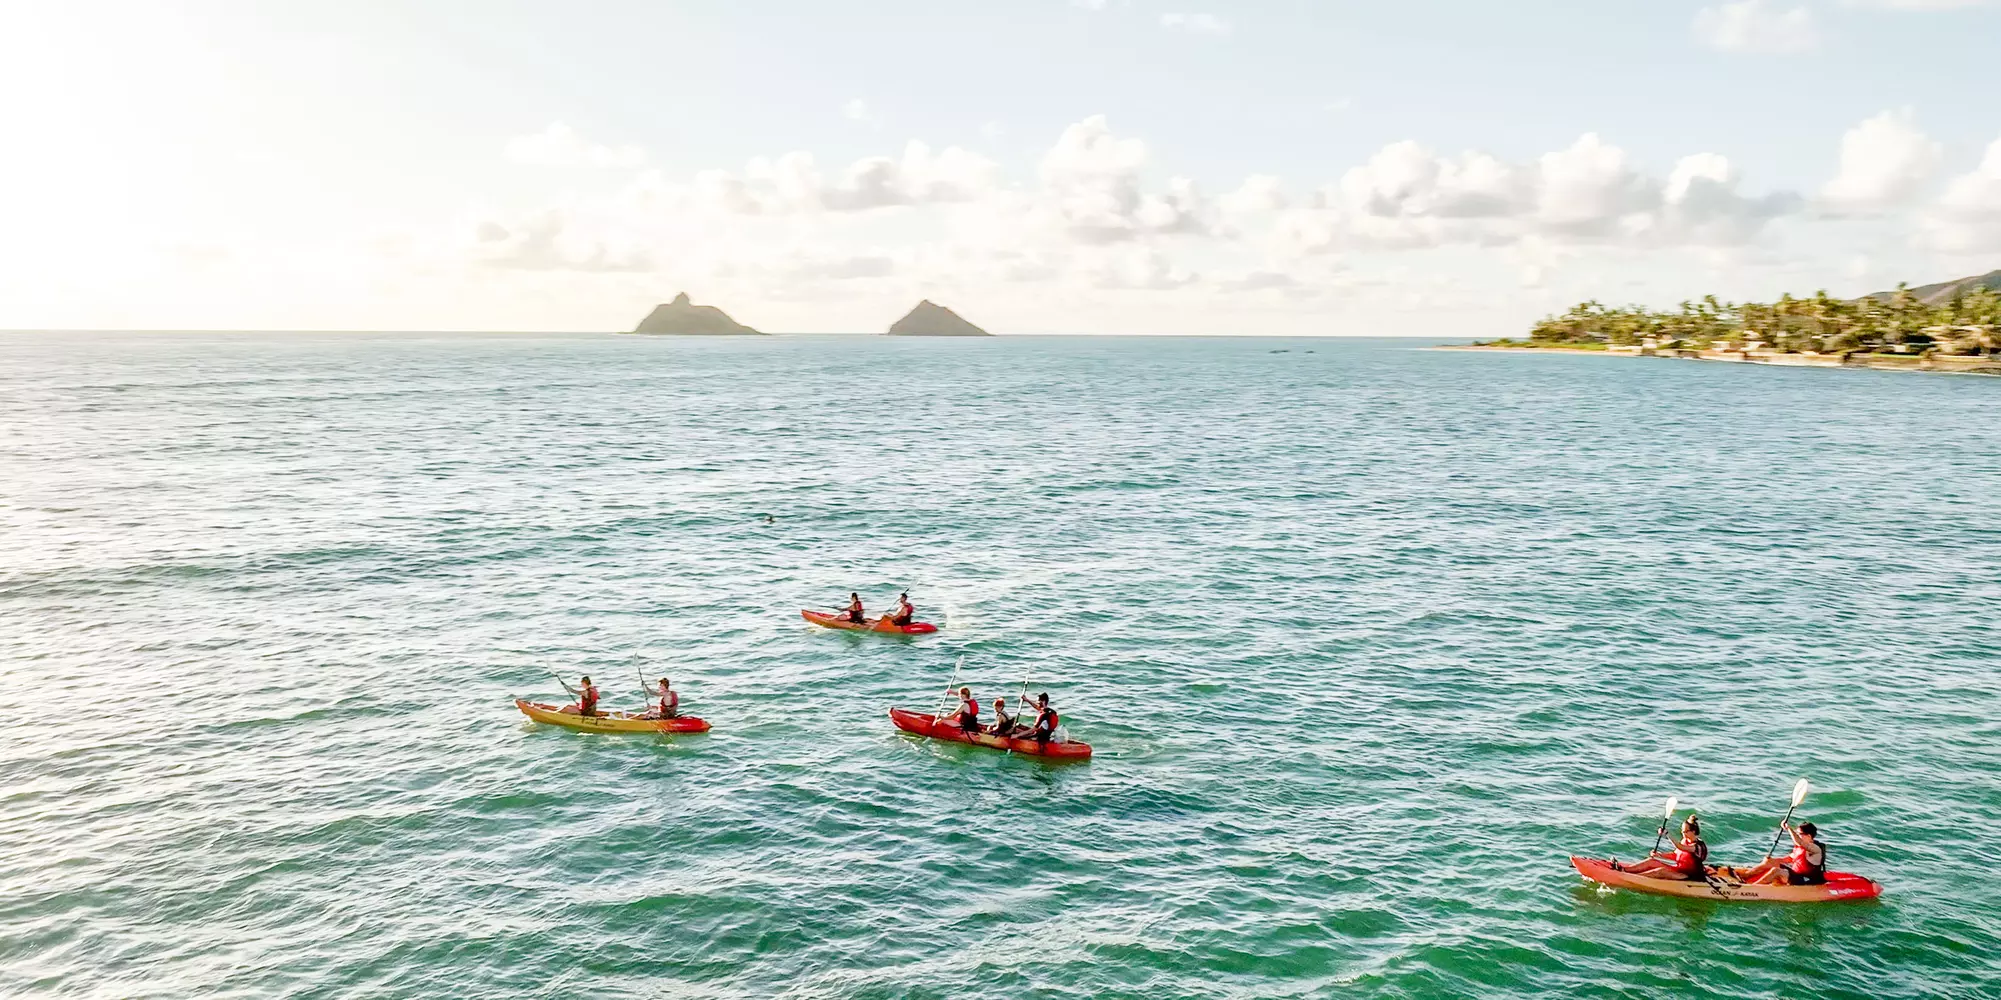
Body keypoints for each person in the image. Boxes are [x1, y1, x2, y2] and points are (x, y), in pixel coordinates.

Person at [1728, 821, 1828, 886]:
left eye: (1799, 834)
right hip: (1795, 875)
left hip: (1807, 880)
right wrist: (1771, 861)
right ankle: (1745, 876)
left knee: (1776, 871)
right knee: (1770, 863)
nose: (1797, 836)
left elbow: (1798, 841)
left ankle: (1752, 887)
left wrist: (1788, 828)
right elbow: (1788, 859)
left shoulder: (1815, 849)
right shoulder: (1800, 847)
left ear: (1809, 836)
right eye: (1797, 834)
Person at [1612, 814, 1707, 881]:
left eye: (1685, 831)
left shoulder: (1697, 847)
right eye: (1682, 831)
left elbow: (1680, 847)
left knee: (1660, 871)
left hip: (1688, 875)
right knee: (1651, 861)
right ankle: (1624, 870)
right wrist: (1660, 855)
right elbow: (1675, 855)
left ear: (1693, 832)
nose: (1682, 833)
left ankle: (1633, 878)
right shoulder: (1684, 840)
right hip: (1679, 869)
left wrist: (1667, 834)